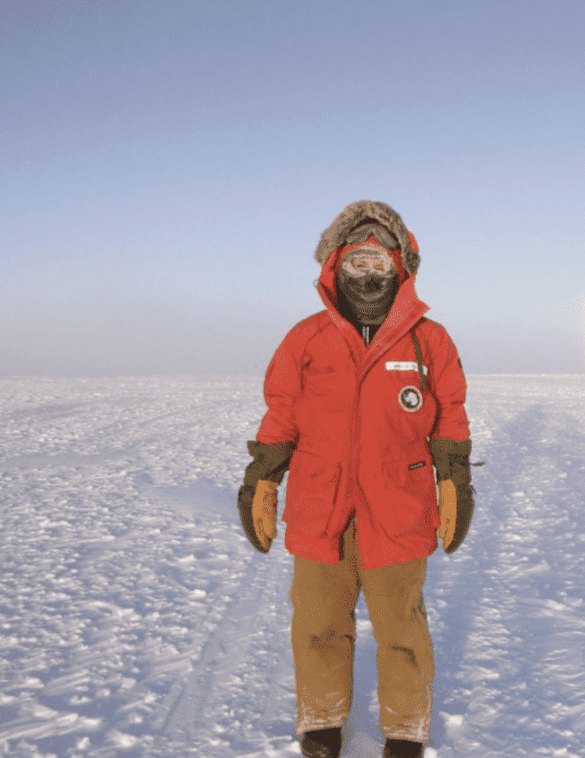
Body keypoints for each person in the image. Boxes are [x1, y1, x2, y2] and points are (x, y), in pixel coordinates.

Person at [237, 200, 475, 758]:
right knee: (318, 623)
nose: (368, 275)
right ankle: (321, 722)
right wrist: (263, 477)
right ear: (335, 265)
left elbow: (450, 413)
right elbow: (282, 412)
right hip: (321, 505)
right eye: (357, 263)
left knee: (402, 629)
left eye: (380, 264)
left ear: (400, 268)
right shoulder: (306, 338)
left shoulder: (429, 340)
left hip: (398, 506)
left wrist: (454, 479)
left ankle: (406, 730)